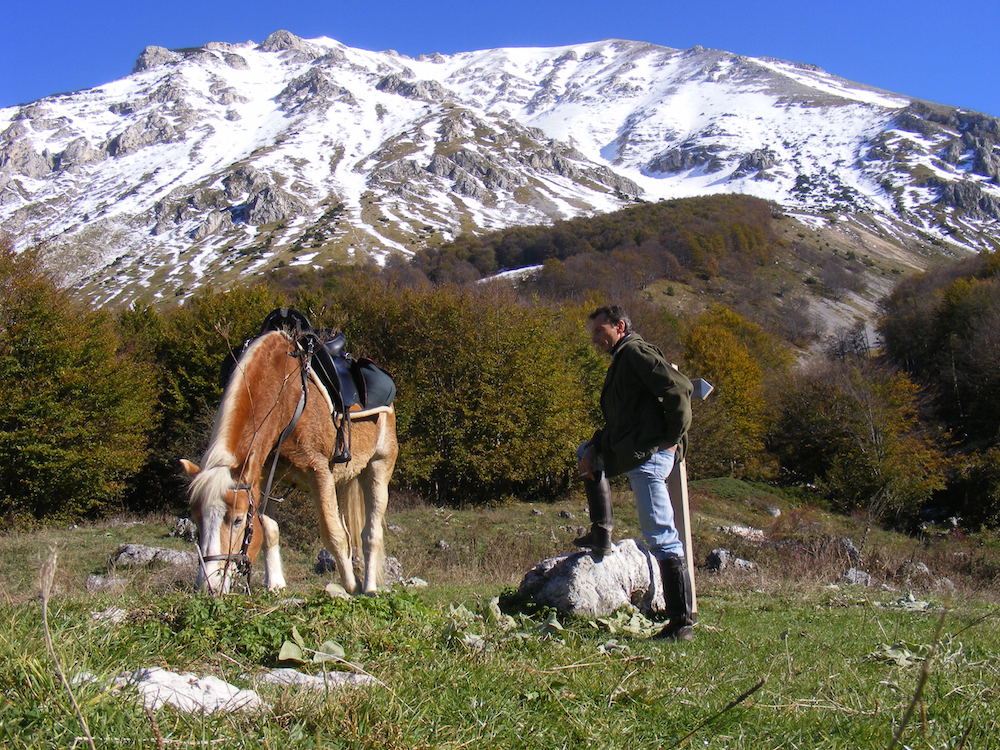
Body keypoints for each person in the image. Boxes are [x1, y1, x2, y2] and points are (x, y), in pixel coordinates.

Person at [575, 304, 695, 641]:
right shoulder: (623, 358)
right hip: (639, 449)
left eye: (601, 331)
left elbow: (680, 389)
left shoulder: (636, 352)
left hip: (650, 455)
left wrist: (670, 441)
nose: (596, 339)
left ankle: (681, 623)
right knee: (585, 452)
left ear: (620, 326)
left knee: (660, 534)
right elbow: (624, 418)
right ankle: (601, 533)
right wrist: (597, 445)